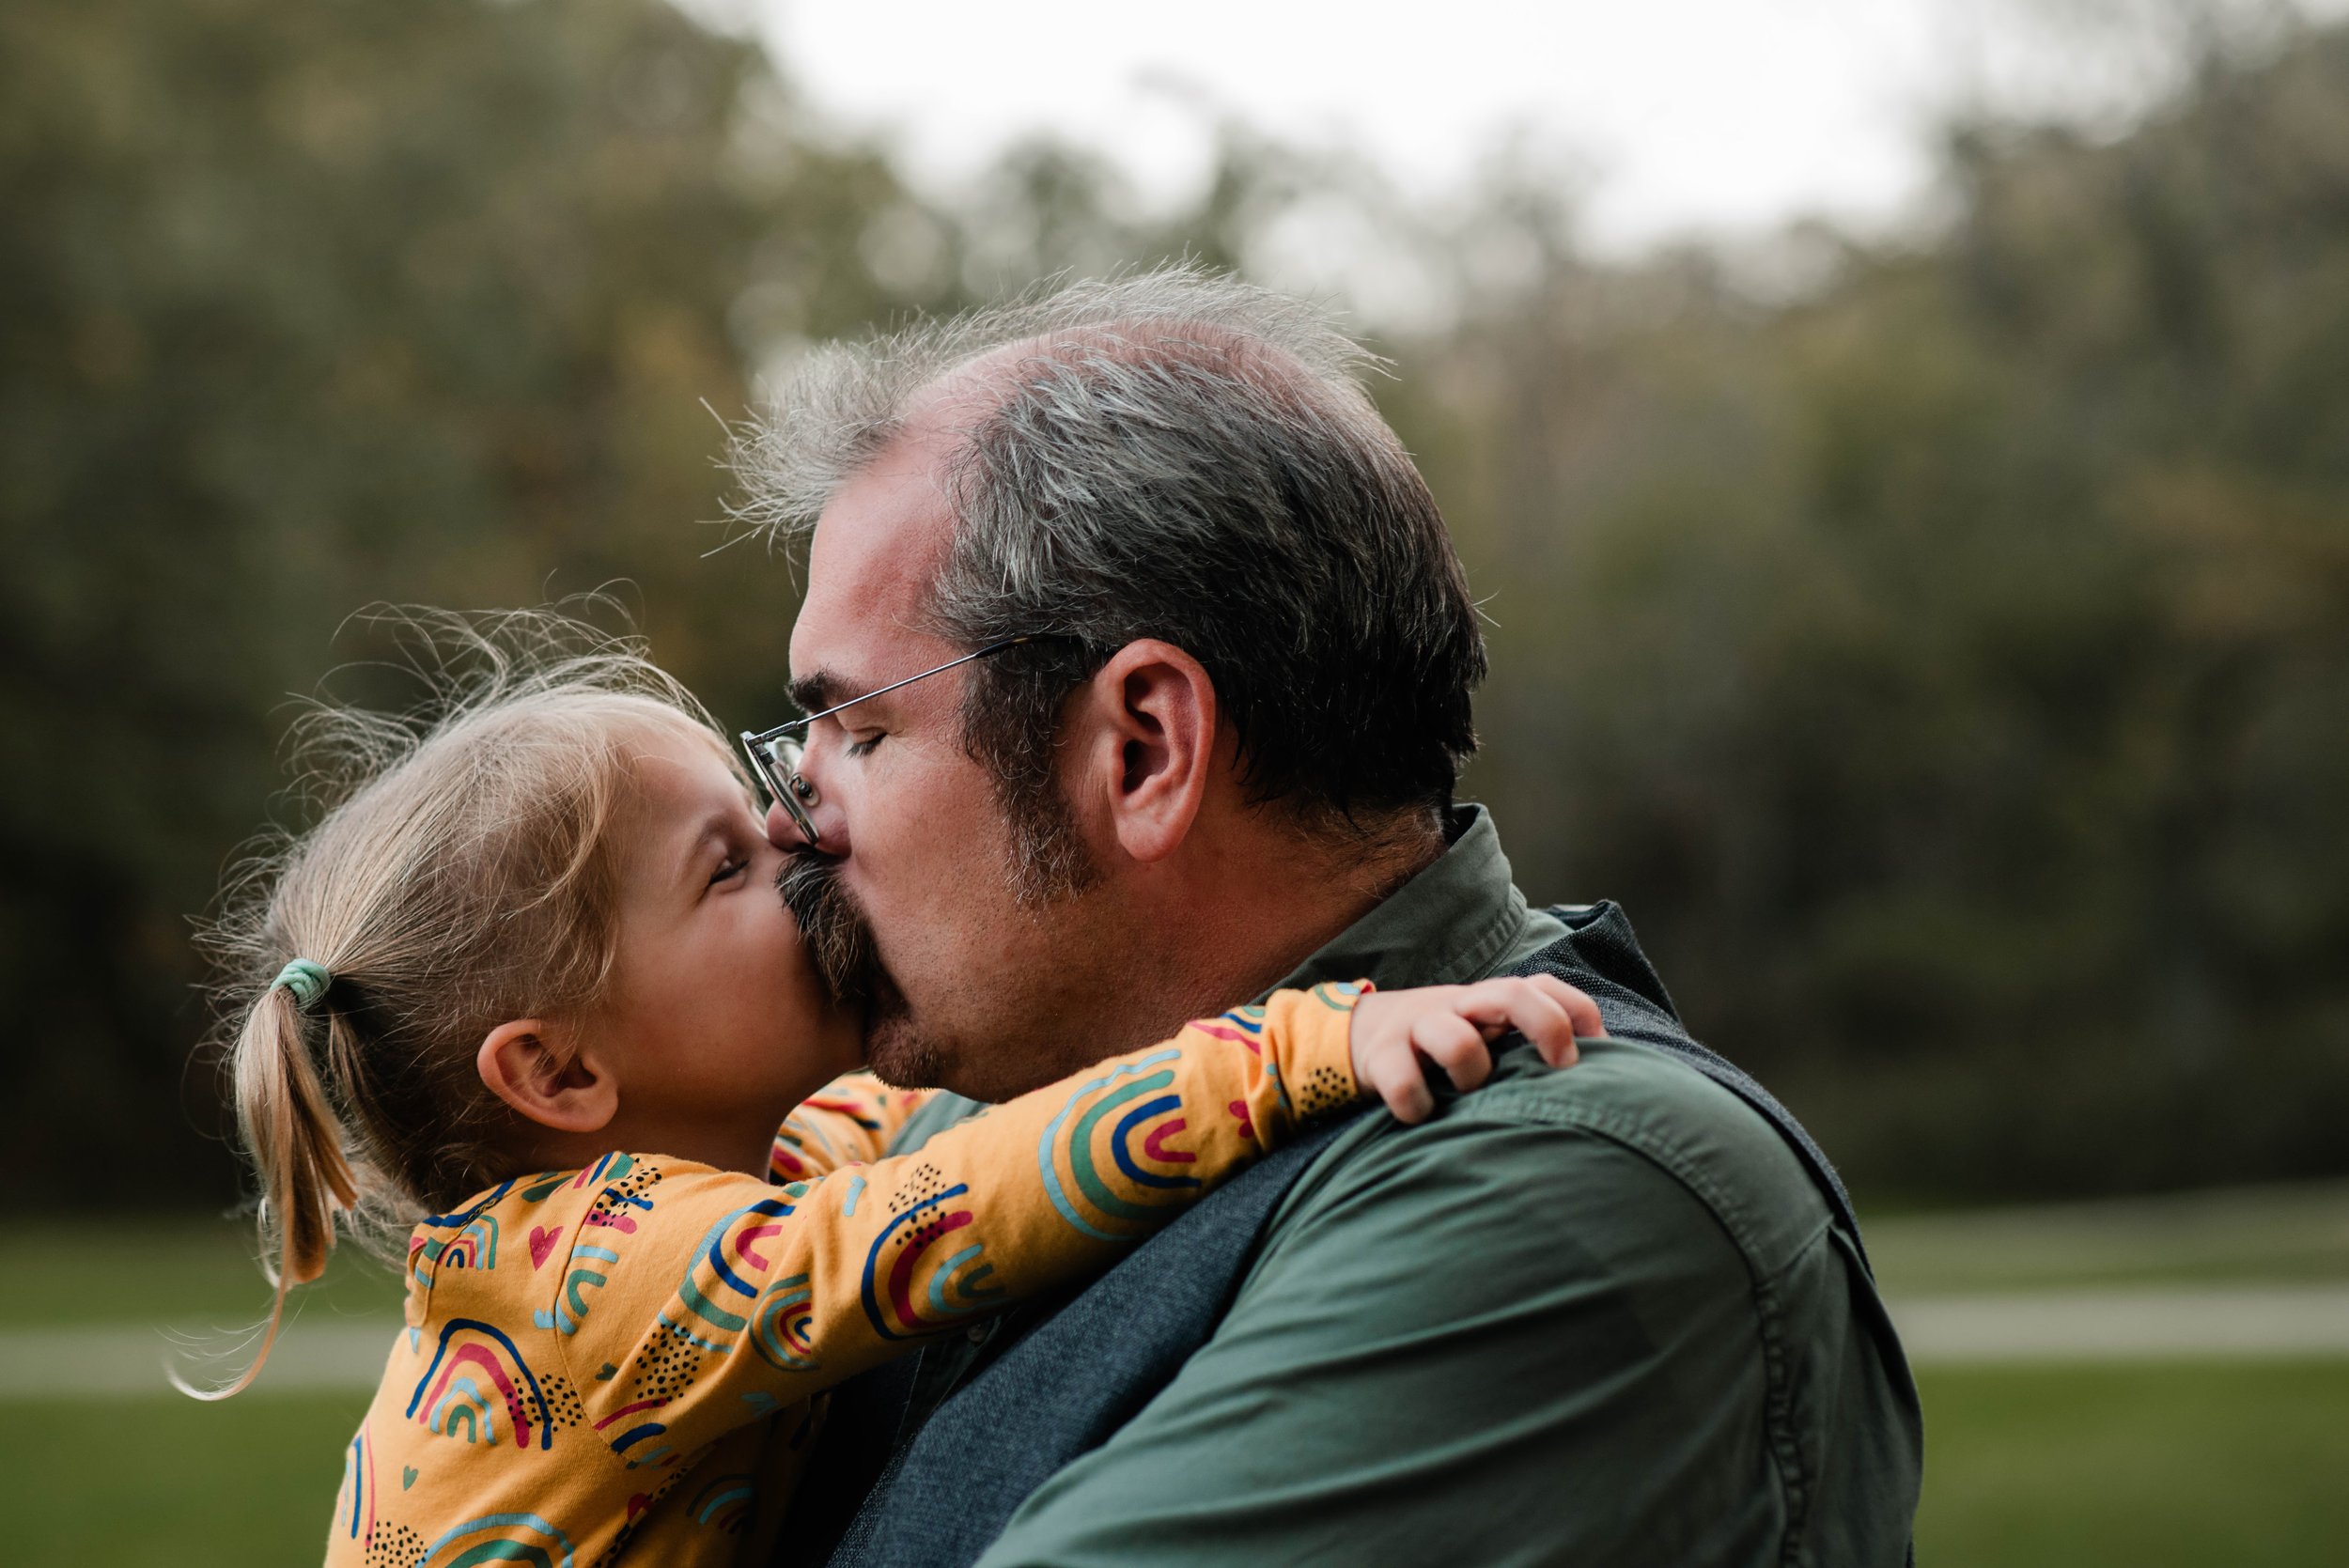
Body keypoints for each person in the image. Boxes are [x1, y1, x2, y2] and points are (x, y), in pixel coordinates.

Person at [731, 267, 1925, 1566]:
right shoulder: (945, 1140)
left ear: (1143, 750)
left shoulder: (1564, 1197)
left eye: (857, 728)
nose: (793, 817)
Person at [192, 617, 1596, 1566]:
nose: (801, 837)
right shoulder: (605, 1272)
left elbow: (904, 1129)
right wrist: (1300, 1043)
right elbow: (955, 1204)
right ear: (559, 1071)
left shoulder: (745, 1169)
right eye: (727, 868)